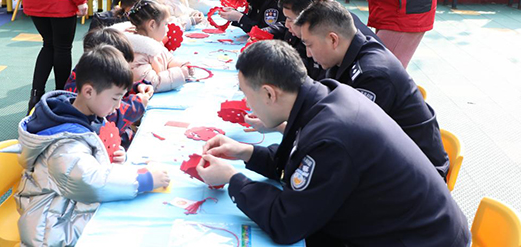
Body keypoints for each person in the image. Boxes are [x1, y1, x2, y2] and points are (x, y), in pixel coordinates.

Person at [196, 40, 470, 246]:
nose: (246, 103)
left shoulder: (332, 137)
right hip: (416, 227)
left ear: (269, 93)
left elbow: (286, 223)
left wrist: (233, 180)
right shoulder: (324, 96)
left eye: (246, 94)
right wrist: (246, 152)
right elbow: (298, 160)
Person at [16, 45, 170, 247]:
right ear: (88, 91)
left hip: (68, 207)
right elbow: (90, 181)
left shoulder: (87, 115)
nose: (117, 106)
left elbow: (87, 165)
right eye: (115, 98)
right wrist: (144, 179)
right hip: (53, 229)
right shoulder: (64, 144)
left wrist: (109, 156)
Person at [297, 0, 450, 179]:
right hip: (395, 158)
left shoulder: (374, 75)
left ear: (333, 39)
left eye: (309, 45)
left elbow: (351, 138)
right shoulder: (346, 55)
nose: (308, 53)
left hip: (420, 176)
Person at [63, 27, 154, 148]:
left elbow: (114, 88)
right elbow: (109, 119)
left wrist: (139, 86)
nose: (117, 105)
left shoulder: (91, 78)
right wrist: (137, 104)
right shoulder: (81, 126)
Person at [114, 0, 192, 92]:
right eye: (165, 24)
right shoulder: (135, 53)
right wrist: (181, 74)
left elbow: (168, 59)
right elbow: (151, 82)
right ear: (152, 25)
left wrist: (183, 65)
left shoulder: (154, 42)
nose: (167, 28)